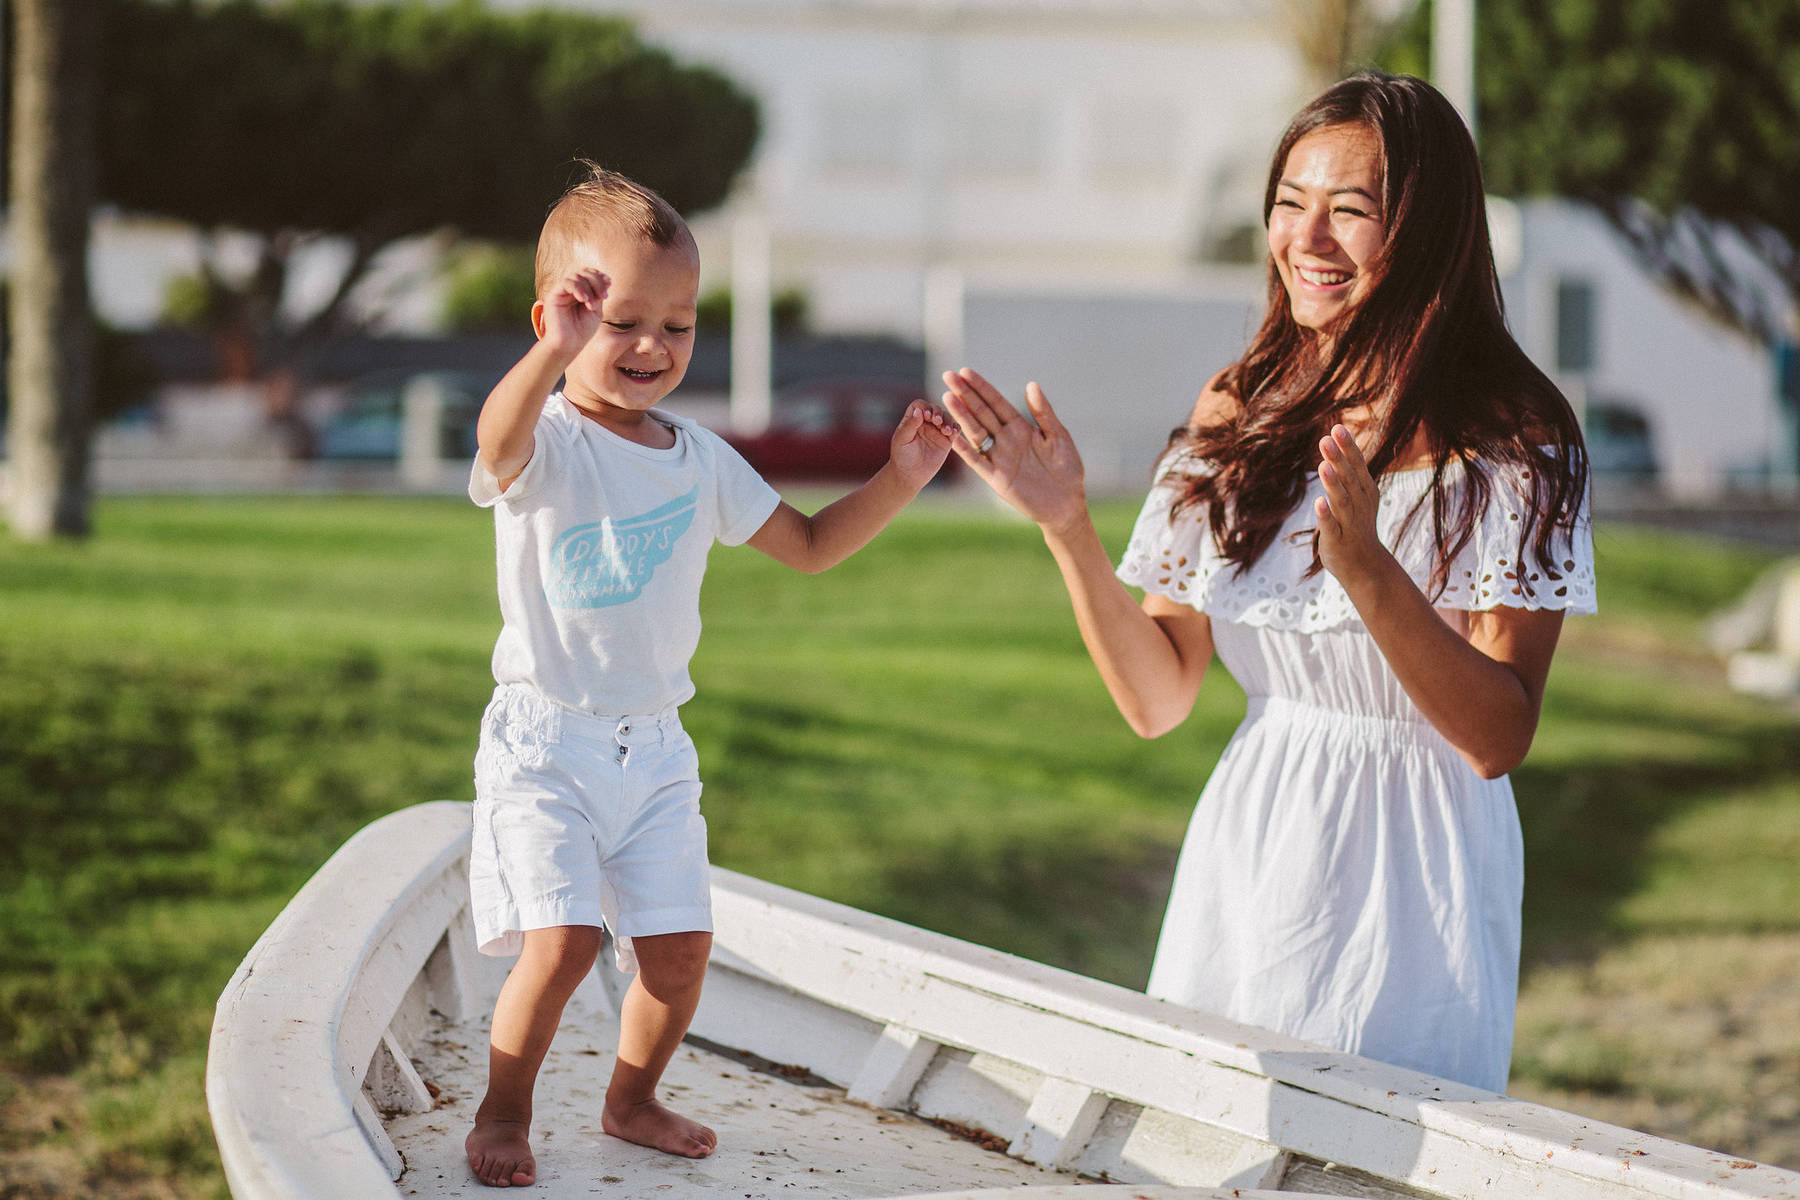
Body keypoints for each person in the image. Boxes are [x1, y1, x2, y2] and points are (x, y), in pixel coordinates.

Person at [939, 72, 1594, 1094]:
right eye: (1290, 204)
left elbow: (1497, 736)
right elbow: (1158, 699)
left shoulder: (1515, 439)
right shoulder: (1237, 409)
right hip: (1252, 849)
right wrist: (1067, 526)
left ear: (1427, 230)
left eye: (1351, 211)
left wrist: (1371, 571)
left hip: (1417, 884)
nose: (1308, 239)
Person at [463, 162, 952, 1188]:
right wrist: (547, 356)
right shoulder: (547, 444)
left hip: (654, 749)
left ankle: (631, 1098)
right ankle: (503, 1115)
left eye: (677, 326)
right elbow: (493, 442)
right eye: (620, 320)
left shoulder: (699, 460)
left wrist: (901, 480)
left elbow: (813, 545)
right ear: (555, 316)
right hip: (548, 742)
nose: (651, 347)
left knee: (679, 952)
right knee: (556, 946)